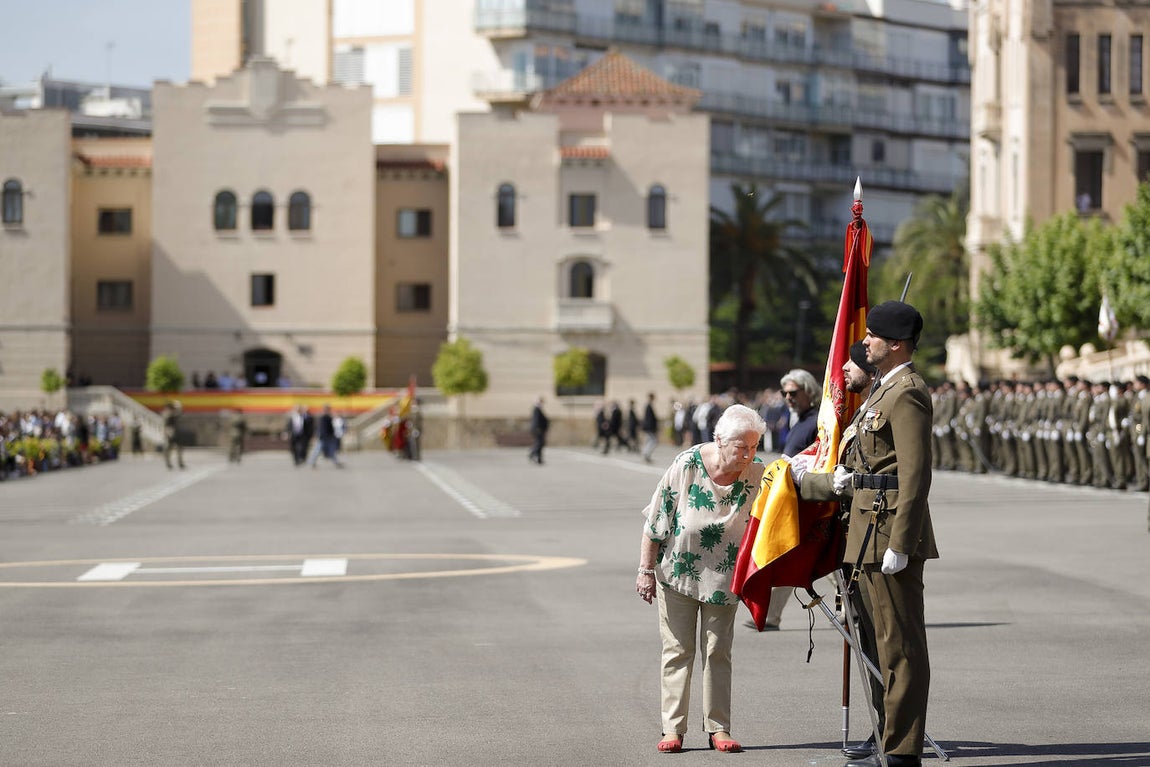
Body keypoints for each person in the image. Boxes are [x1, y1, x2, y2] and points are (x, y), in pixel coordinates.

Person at [810, 301, 938, 767]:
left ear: (896, 343)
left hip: (889, 535)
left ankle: (903, 752)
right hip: (864, 532)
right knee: (878, 645)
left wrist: (903, 543)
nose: (865, 343)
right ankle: (888, 738)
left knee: (900, 648)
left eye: (873, 336)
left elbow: (916, 474)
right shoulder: (883, 390)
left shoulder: (907, 392)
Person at [636, 404, 768, 755]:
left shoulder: (758, 473)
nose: (748, 454)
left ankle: (718, 728)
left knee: (717, 652)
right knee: (678, 651)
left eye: (754, 446)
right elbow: (657, 520)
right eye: (742, 446)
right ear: (720, 440)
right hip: (678, 572)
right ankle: (673, 728)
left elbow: (779, 511)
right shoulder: (687, 464)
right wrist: (645, 570)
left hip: (725, 579)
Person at [791, 341, 886, 760]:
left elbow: (910, 477)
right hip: (854, 541)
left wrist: (900, 543)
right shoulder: (862, 409)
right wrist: (795, 477)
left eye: (850, 363)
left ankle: (896, 732)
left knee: (890, 645)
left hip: (880, 540)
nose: (842, 371)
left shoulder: (899, 398)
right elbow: (843, 472)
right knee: (869, 641)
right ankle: (886, 728)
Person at [780, 368, 821, 458]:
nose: (788, 397)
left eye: (793, 393)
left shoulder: (818, 422)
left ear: (809, 391)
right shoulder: (800, 420)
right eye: (784, 393)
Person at [308, 404, 344, 468]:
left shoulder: (326, 417)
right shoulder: (324, 418)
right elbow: (323, 429)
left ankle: (336, 463)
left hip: (325, 437)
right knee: (318, 451)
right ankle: (312, 462)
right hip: (324, 438)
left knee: (329, 451)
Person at [162, 400, 185, 470]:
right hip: (170, 432)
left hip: (175, 432)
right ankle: (168, 463)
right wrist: (179, 407)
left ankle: (180, 463)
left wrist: (179, 407)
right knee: (168, 448)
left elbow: (179, 414)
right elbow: (166, 425)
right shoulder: (167, 413)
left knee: (179, 448)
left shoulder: (172, 413)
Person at [528, 397, 549, 465]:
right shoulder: (537, 409)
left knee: (540, 443)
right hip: (538, 429)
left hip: (539, 429)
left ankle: (539, 458)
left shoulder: (538, 408)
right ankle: (532, 454)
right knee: (539, 443)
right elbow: (536, 419)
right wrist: (537, 428)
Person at [640, 392, 659, 463]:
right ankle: (646, 453)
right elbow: (649, 419)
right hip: (649, 428)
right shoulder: (649, 406)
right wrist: (652, 428)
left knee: (649, 440)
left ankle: (646, 453)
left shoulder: (649, 406)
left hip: (648, 427)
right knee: (653, 441)